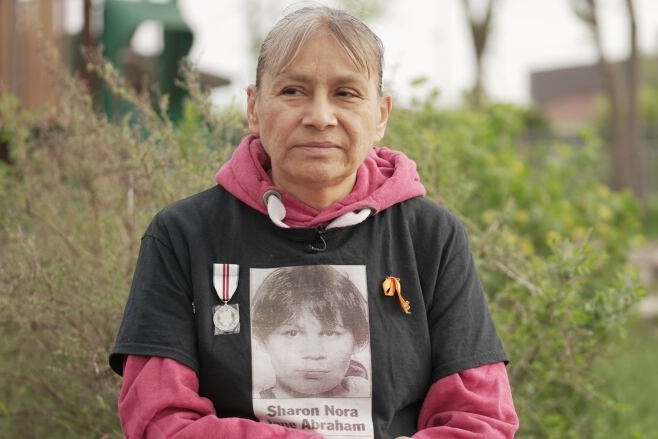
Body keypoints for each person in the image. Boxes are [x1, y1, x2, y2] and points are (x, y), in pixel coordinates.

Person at [109, 6, 519, 439]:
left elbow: (481, 421)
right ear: (253, 106)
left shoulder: (431, 238)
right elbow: (158, 419)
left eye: (346, 93)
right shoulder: (182, 236)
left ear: (380, 115)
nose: (320, 116)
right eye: (292, 91)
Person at [251, 265, 370, 399]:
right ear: (262, 341)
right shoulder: (246, 403)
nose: (313, 353)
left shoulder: (370, 395)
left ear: (356, 339)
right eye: (292, 333)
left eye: (330, 333)